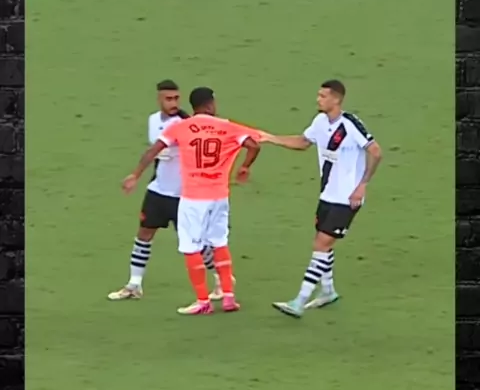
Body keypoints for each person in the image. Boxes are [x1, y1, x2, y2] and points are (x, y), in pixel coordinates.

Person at [122, 87, 260, 315]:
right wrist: (244, 167)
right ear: (211, 104)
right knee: (219, 243)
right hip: (219, 196)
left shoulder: (181, 127)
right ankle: (228, 297)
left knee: (191, 247)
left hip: (193, 197)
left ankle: (203, 301)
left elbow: (152, 151)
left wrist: (135, 175)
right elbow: (254, 145)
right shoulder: (226, 126)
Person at [259, 80, 382, 318]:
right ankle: (328, 291)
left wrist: (362, 185)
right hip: (327, 195)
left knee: (321, 244)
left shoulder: (350, 124)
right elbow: (303, 142)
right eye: (318, 95)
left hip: (347, 198)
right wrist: (271, 138)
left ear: (336, 99)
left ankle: (299, 300)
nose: (318, 99)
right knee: (323, 243)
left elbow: (376, 151)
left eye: (323, 96)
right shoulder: (319, 122)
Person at [108, 80, 223, 301]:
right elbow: (154, 152)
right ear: (159, 99)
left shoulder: (186, 123)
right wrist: (136, 176)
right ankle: (134, 285)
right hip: (158, 190)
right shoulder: (153, 120)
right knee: (144, 234)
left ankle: (221, 279)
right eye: (168, 99)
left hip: (184, 195)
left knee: (196, 244)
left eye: (176, 98)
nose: (173, 103)